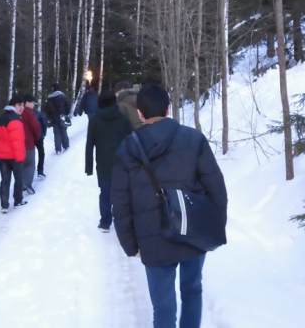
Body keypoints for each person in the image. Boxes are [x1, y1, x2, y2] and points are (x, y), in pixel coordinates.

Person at [111, 83, 227, 328]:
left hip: (152, 238)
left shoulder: (127, 149)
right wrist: (214, 226)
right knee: (192, 290)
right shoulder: (194, 139)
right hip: (193, 231)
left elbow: (120, 202)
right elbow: (217, 188)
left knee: (162, 305)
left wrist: (130, 244)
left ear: (140, 114)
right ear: (168, 109)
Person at [85, 90, 133, 233]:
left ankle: (105, 222)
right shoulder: (123, 119)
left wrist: (89, 167)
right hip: (123, 162)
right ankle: (124, 222)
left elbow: (90, 144)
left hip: (104, 163)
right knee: (123, 193)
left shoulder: (95, 120)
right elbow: (132, 139)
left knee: (105, 193)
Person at [0, 96, 30, 213]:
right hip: (14, 156)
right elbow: (17, 140)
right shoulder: (15, 119)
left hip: (1, 156)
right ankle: (18, 201)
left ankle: (4, 205)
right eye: (19, 105)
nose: (22, 108)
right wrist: (20, 157)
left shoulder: (1, 118)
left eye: (23, 105)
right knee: (18, 178)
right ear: (13, 105)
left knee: (5, 179)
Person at [22, 95, 42, 194]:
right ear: (27, 103)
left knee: (21, 165)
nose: (34, 104)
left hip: (18, 144)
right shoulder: (30, 113)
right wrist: (37, 137)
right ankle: (27, 184)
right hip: (28, 143)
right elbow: (36, 126)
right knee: (30, 164)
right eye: (32, 102)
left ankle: (20, 184)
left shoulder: (18, 113)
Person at [45, 83, 72, 154]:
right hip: (63, 117)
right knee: (64, 131)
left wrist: (50, 117)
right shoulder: (63, 97)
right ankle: (66, 146)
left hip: (54, 118)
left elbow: (47, 109)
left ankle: (58, 149)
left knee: (56, 134)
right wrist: (66, 113)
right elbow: (68, 105)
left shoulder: (50, 99)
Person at [33, 102, 48, 178]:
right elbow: (44, 123)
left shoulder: (24, 114)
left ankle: (30, 172)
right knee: (41, 153)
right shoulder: (39, 114)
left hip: (29, 138)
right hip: (39, 136)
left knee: (30, 154)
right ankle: (40, 170)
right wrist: (43, 134)